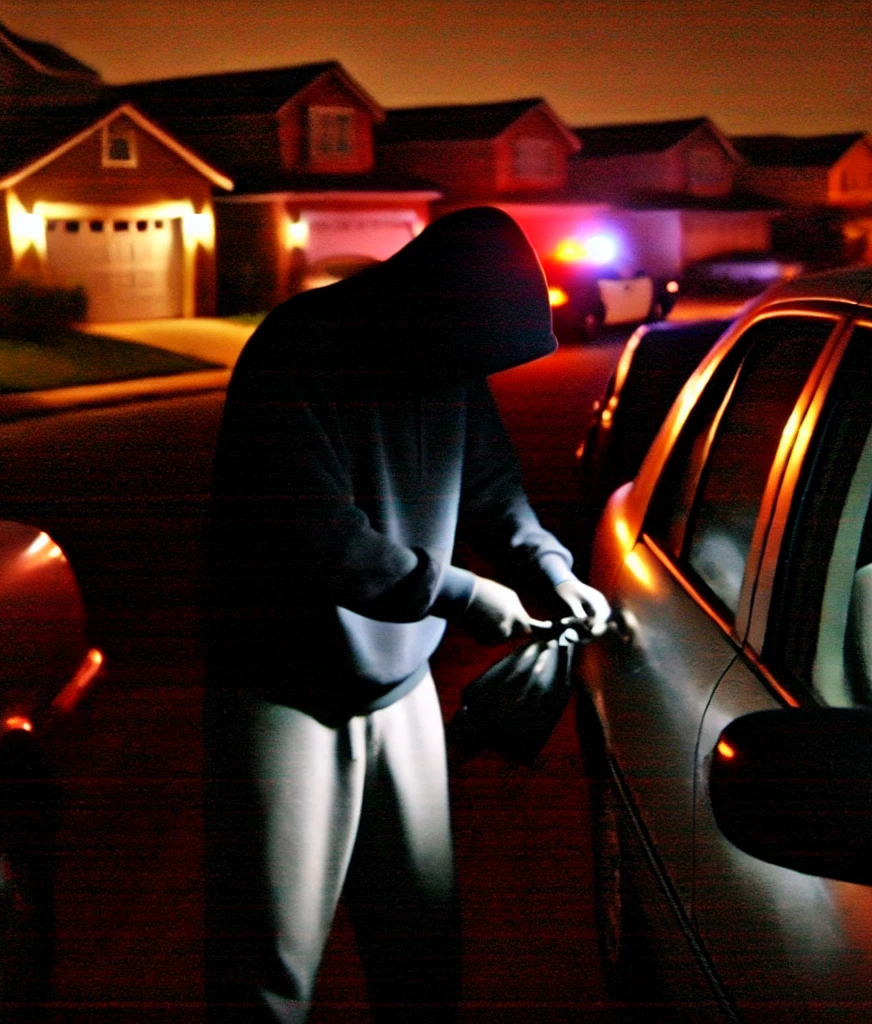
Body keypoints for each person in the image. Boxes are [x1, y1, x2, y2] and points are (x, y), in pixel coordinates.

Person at [201, 206, 611, 1023]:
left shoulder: (449, 356)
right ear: (431, 302)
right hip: (285, 690)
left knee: (423, 940)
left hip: (402, 683)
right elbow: (320, 536)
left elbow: (494, 488)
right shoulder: (296, 350)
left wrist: (546, 566)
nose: (472, 373)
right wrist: (463, 594)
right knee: (272, 966)